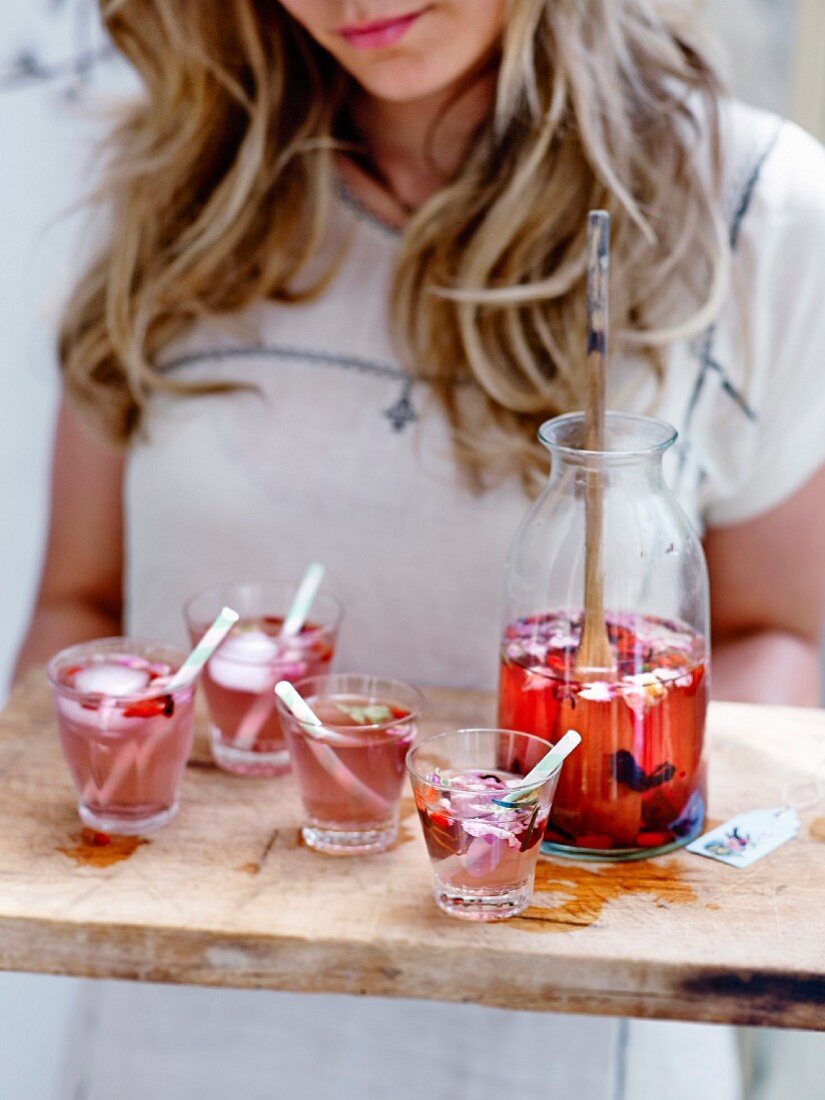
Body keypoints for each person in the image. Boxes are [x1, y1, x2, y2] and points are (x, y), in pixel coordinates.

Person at [14, 1, 825, 1096]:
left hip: (573, 1050)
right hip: (181, 1044)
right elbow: (80, 603)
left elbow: (775, 625)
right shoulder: (169, 188)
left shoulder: (751, 209)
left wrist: (648, 807)